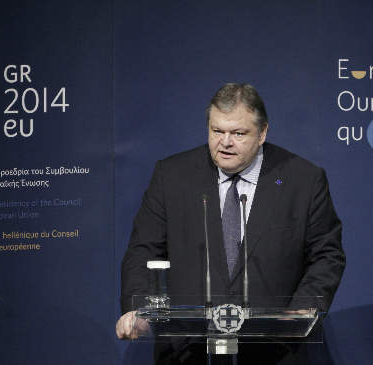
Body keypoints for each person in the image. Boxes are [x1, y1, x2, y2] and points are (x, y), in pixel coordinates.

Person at [116, 83, 345, 364]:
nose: (225, 142)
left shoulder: (303, 180)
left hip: (275, 352)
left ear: (262, 133)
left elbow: (326, 256)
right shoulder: (172, 176)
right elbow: (143, 251)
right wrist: (138, 310)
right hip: (187, 351)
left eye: (238, 133)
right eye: (217, 131)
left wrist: (298, 314)